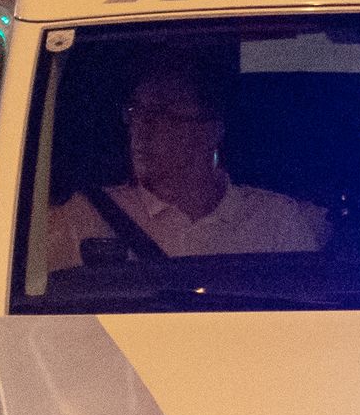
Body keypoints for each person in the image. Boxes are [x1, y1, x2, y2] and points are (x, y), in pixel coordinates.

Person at [43, 54, 329, 261]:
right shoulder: (85, 218)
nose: (141, 128)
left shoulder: (274, 221)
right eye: (135, 112)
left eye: (161, 114)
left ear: (211, 130)